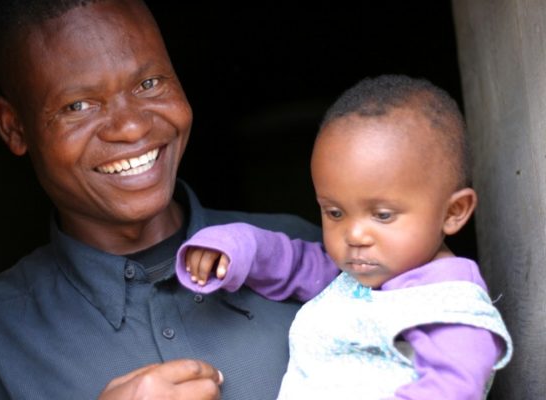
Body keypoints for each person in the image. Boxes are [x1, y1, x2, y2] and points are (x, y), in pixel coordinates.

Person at [0, 1, 324, 399]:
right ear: (14, 127)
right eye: (78, 106)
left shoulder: (311, 255)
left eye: (149, 84)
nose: (131, 127)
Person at [176, 75, 513, 399]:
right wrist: (234, 247)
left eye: (383, 215)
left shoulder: (450, 306)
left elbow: (456, 389)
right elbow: (292, 263)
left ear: (454, 212)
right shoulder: (350, 277)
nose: (354, 235)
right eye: (335, 213)